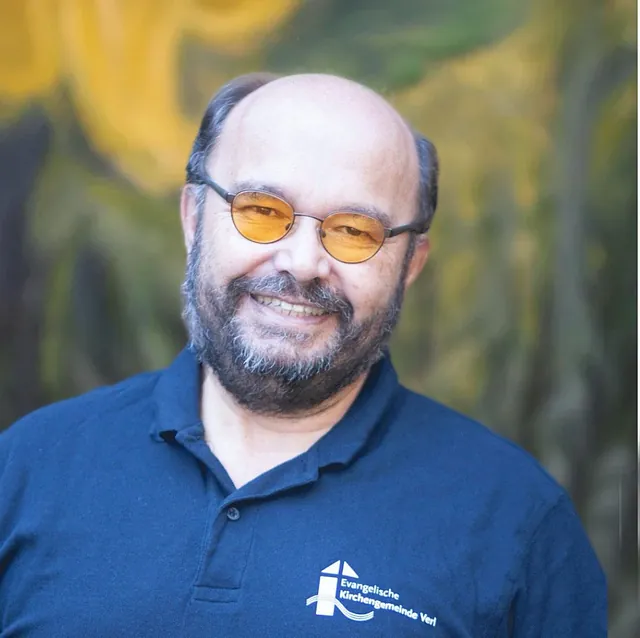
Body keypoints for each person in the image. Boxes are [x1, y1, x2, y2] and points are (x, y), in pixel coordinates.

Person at [0, 73, 606, 637]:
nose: (301, 262)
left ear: (410, 263)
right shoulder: (27, 467)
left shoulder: (518, 522)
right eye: (261, 212)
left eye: (354, 230)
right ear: (193, 217)